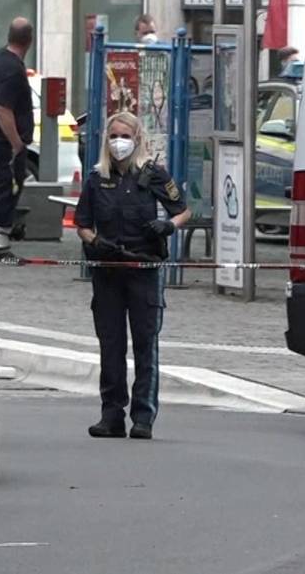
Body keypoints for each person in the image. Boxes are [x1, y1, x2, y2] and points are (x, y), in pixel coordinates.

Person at [75, 111, 189, 440]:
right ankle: (111, 415)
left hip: (144, 269)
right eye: (113, 136)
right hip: (108, 271)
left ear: (137, 139)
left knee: (145, 345)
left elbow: (182, 211)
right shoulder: (97, 179)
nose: (118, 142)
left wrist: (167, 226)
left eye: (125, 136)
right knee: (110, 345)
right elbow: (81, 224)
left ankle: (143, 417)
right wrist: (96, 242)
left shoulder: (152, 174)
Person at [0, 18, 36, 236]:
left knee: (4, 180)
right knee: (9, 182)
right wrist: (17, 144)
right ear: (29, 40)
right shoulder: (12, 68)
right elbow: (3, 109)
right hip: (6, 138)